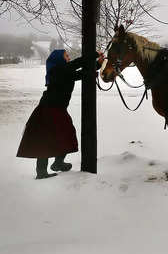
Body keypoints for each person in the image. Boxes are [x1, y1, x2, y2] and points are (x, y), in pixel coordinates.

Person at [17, 49, 104, 179]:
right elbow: (77, 64)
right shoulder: (57, 70)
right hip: (48, 109)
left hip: (57, 109)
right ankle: (42, 172)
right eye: (66, 56)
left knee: (65, 134)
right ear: (58, 59)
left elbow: (80, 74)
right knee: (45, 139)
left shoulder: (64, 71)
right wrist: (94, 55)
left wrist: (97, 64)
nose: (68, 58)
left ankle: (58, 163)